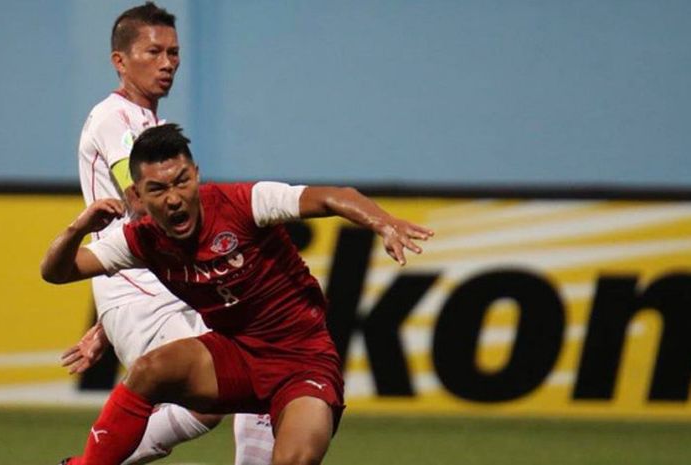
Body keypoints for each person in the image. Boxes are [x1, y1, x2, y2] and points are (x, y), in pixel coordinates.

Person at [41, 124, 433, 465]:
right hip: (235, 356)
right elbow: (56, 272)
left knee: (296, 458)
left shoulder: (244, 203)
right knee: (149, 370)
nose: (174, 198)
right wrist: (79, 226)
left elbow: (331, 196)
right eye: (158, 189)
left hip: (303, 361)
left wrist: (383, 222)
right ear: (137, 198)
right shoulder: (141, 240)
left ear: (197, 174)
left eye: (182, 181)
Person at [69, 2, 273, 464]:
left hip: (151, 292)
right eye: (154, 51)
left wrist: (105, 320)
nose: (167, 63)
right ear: (120, 60)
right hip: (143, 298)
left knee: (229, 389)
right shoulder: (117, 119)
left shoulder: (149, 124)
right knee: (253, 371)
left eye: (174, 52)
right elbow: (141, 201)